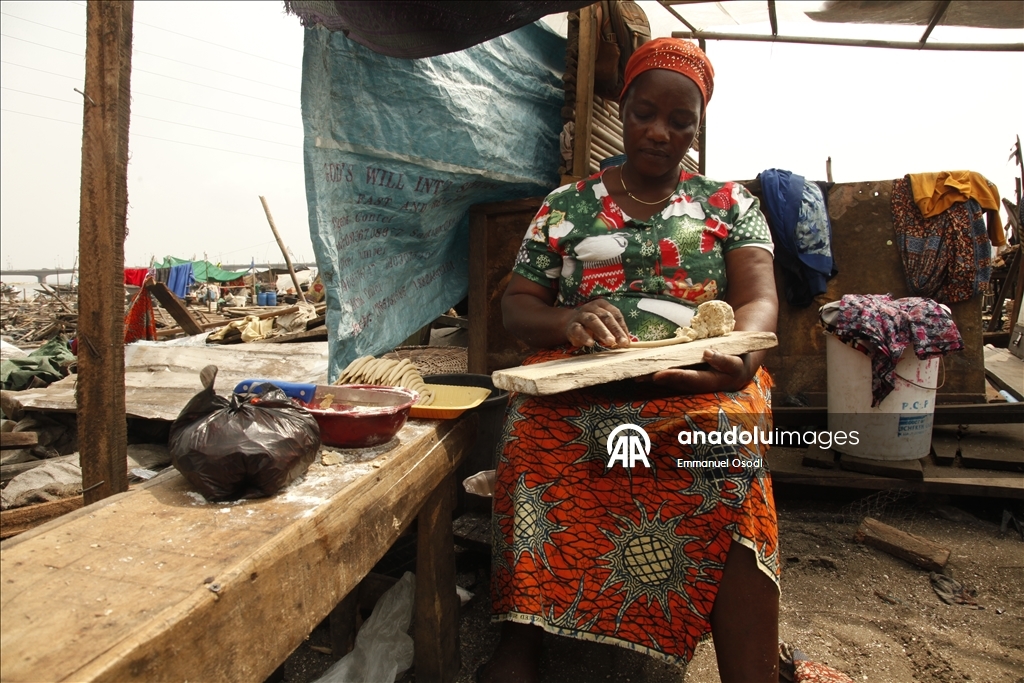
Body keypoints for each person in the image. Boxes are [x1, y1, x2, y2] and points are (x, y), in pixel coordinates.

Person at [479, 38, 780, 683]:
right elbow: (517, 307)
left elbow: (758, 301)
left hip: (699, 380)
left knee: (728, 452)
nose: (660, 133)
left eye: (681, 123)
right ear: (623, 107)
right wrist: (567, 319)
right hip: (581, 381)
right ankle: (522, 636)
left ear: (697, 129)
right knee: (531, 441)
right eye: (646, 113)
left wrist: (745, 358)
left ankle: (750, 668)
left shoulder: (730, 205)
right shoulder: (566, 205)